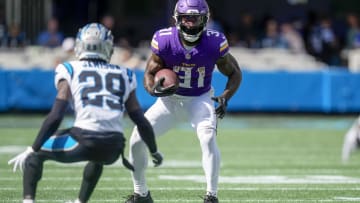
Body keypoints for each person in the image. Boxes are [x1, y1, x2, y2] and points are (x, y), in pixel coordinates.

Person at [8, 23, 163, 203]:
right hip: (113, 147)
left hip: (82, 140)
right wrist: (154, 150)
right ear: (108, 47)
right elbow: (140, 120)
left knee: (35, 153)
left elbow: (56, 115)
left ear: (80, 45)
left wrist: (32, 148)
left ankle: (28, 200)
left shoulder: (69, 69)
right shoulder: (125, 73)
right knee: (97, 158)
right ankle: (80, 201)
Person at [125, 0, 242, 203]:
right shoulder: (164, 40)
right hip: (169, 102)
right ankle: (141, 193)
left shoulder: (214, 42)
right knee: (136, 140)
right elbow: (149, 73)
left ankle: (211, 196)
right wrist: (153, 89)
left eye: (195, 18)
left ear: (204, 20)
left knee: (207, 139)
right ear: (178, 19)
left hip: (200, 99)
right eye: (186, 18)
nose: (190, 23)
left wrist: (225, 96)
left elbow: (235, 73)